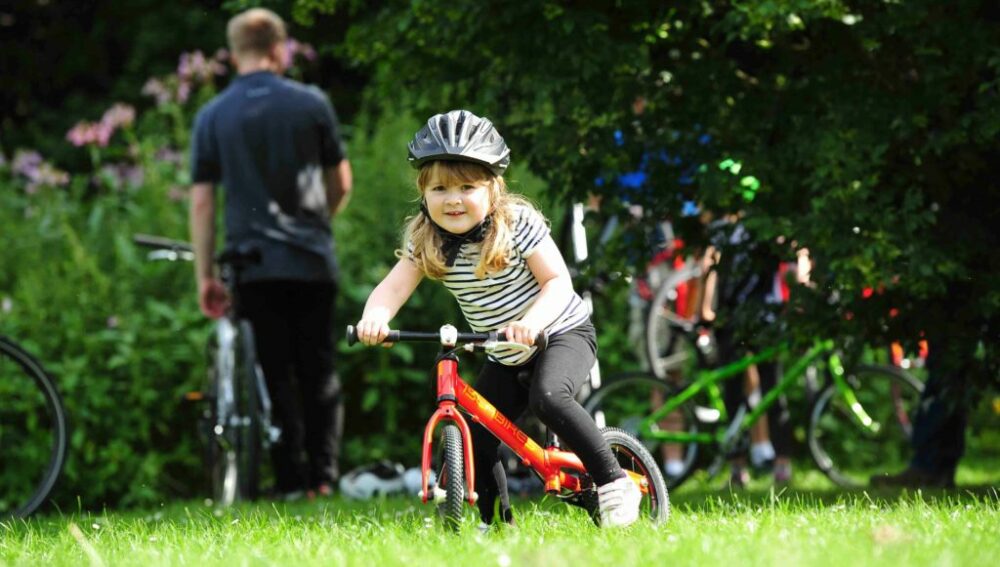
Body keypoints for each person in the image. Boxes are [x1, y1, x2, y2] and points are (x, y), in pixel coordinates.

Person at [354, 110, 642, 528]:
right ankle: (492, 524)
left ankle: (615, 482)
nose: (453, 199)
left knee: (549, 398)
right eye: (440, 188)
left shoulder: (517, 223)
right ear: (423, 192)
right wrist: (374, 317)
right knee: (476, 434)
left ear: (493, 188)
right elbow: (393, 288)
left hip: (560, 332)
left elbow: (558, 282)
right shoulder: (426, 237)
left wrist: (533, 322)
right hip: (504, 350)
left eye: (467, 187)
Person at [188, 8, 352, 499]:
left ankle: (286, 479)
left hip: (250, 264)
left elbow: (202, 200)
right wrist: (320, 221)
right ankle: (323, 479)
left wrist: (204, 273)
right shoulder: (312, 103)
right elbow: (341, 181)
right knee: (318, 369)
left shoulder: (212, 115)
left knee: (273, 371)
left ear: (234, 53)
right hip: (309, 258)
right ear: (280, 49)